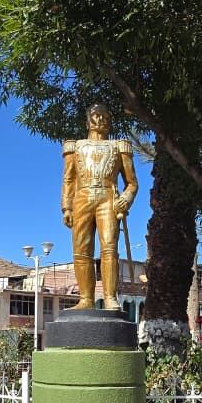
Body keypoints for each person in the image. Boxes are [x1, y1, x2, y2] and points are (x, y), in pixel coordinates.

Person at [60, 104, 139, 309]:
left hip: (108, 197)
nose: (101, 120)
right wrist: (66, 207)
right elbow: (68, 179)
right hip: (82, 197)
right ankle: (85, 299)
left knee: (109, 248)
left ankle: (110, 297)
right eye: (96, 116)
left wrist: (126, 197)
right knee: (81, 249)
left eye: (105, 116)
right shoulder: (74, 146)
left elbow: (132, 182)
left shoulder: (119, 146)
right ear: (87, 120)